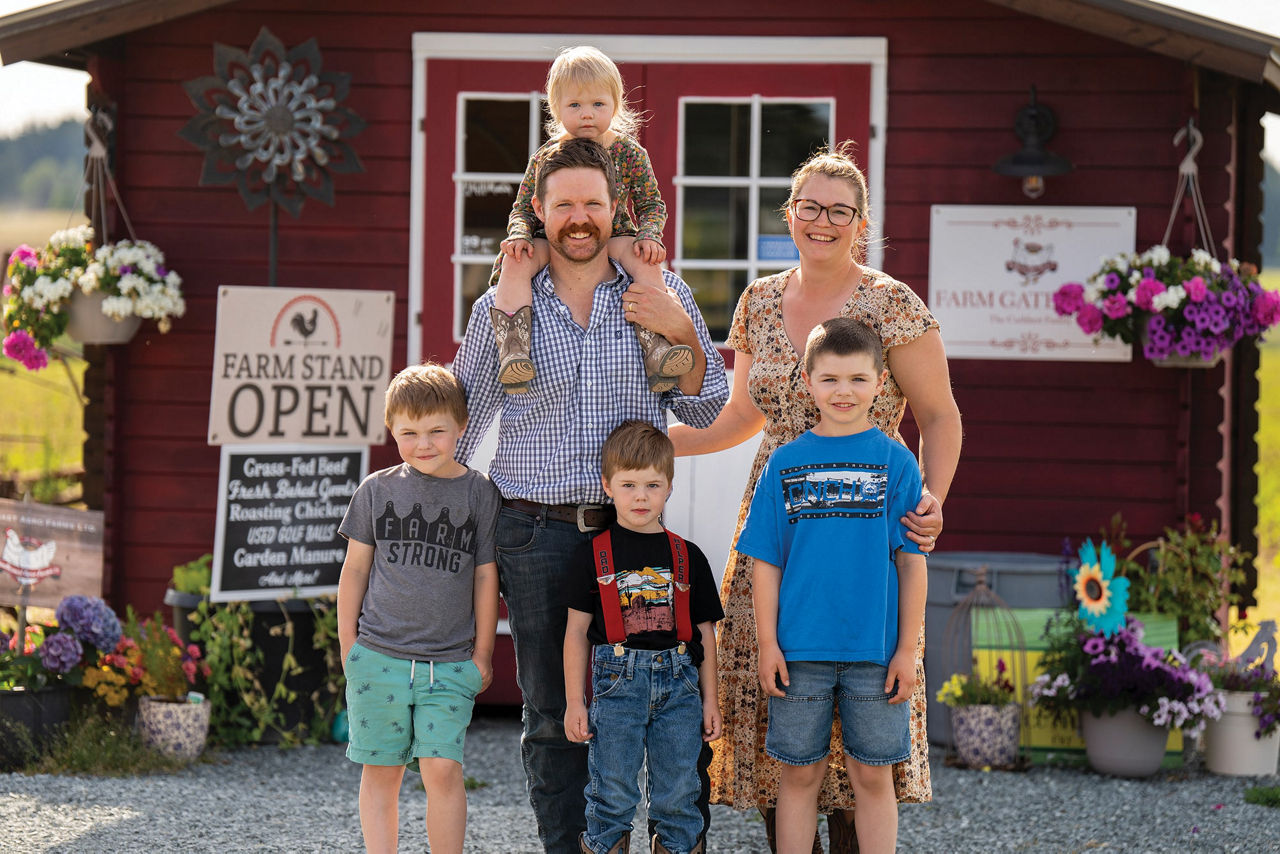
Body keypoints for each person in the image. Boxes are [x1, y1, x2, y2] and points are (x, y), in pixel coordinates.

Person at [669, 142, 962, 852]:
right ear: (789, 214)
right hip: (780, 519)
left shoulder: (892, 304)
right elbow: (745, 416)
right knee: (787, 719)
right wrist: (666, 443)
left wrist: (933, 502)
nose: (822, 222)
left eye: (839, 211)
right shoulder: (759, 301)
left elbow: (942, 415)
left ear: (860, 223)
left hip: (868, 519)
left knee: (863, 712)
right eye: (809, 207)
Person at [452, 136, 729, 854]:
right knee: (553, 714)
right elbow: (463, 416)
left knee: (666, 705)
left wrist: (680, 333)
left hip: (633, 534)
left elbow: (707, 405)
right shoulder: (502, 307)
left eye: (593, 203)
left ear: (616, 210)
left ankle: (677, 842)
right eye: (565, 203)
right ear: (538, 211)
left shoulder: (656, 296)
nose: (580, 217)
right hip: (534, 534)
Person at [740, 318, 927, 854]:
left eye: (857, 379)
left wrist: (907, 651)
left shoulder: (897, 462)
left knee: (873, 778)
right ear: (807, 382)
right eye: (830, 380)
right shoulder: (785, 462)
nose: (844, 392)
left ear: (880, 383)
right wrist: (768, 644)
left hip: (874, 651)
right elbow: (766, 562)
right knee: (798, 778)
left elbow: (912, 562)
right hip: (799, 652)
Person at [336, 362, 501, 854]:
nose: (423, 444)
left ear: (461, 426)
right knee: (381, 772)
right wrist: (350, 648)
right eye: (408, 433)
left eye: (436, 431)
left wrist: (484, 656)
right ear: (391, 430)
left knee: (443, 769)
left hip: (448, 663)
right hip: (378, 657)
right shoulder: (376, 490)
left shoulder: (478, 493)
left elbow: (485, 575)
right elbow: (355, 572)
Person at [489, 45, 693, 395]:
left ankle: (656, 346)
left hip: (615, 235)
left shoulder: (629, 153)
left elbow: (651, 204)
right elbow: (523, 206)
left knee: (644, 259)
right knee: (515, 261)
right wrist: (521, 234)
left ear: (616, 104)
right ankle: (513, 351)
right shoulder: (546, 157)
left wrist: (649, 234)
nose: (587, 115)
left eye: (598, 104)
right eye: (575, 105)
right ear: (556, 109)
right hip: (550, 239)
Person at [564, 420, 724, 854]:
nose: (640, 496)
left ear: (669, 487)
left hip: (681, 685)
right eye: (629, 484)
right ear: (607, 486)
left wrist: (711, 700)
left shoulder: (687, 556)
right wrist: (575, 702)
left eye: (652, 484)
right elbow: (576, 633)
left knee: (679, 793)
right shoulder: (593, 554)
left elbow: (706, 633)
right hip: (617, 684)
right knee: (611, 791)